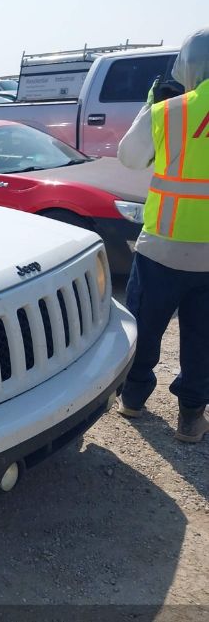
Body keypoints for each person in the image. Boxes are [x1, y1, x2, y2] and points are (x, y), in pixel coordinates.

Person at [117, 27, 209, 442]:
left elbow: (129, 158)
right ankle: (191, 417)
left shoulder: (170, 112)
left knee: (145, 325)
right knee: (203, 339)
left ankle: (133, 400)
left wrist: (152, 103)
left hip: (162, 249)